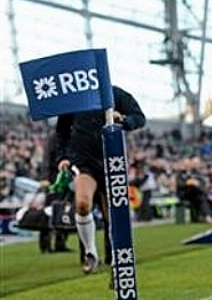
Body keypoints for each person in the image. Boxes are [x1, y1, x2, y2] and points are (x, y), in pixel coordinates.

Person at [55, 85, 146, 274]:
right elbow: (62, 130)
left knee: (112, 214)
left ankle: (116, 256)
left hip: (112, 160)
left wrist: (125, 120)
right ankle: (90, 252)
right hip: (83, 160)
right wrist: (62, 157)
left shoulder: (116, 94)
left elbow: (139, 118)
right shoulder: (74, 97)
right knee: (82, 204)